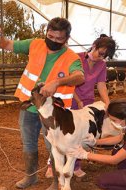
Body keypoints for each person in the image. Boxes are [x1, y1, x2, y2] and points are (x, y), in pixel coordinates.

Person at [0, 18, 84, 190]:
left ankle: (58, 181)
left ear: (67, 39)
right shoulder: (35, 44)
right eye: (50, 36)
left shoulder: (72, 57)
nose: (53, 41)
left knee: (54, 146)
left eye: (59, 39)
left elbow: (80, 77)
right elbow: (6, 45)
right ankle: (31, 175)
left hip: (53, 112)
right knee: (28, 141)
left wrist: (57, 82)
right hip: (30, 104)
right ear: (46, 32)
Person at [45, 34, 117, 178]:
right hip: (70, 99)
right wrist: (77, 100)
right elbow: (69, 81)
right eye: (101, 53)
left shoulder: (102, 65)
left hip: (87, 103)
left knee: (82, 135)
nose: (101, 57)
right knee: (61, 133)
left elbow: (101, 85)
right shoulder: (76, 57)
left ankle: (76, 165)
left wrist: (108, 104)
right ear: (94, 46)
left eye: (105, 56)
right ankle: (52, 165)